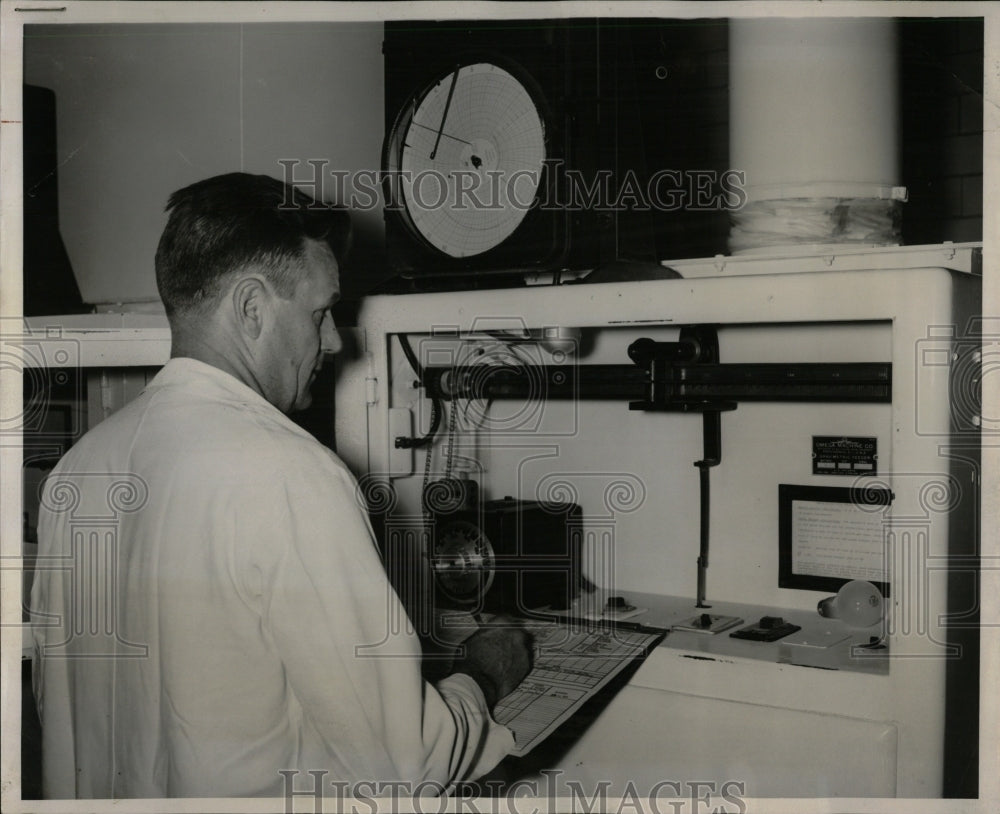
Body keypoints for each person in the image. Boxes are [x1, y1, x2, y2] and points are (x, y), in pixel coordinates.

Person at [30, 172, 532, 799]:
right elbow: (407, 761)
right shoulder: (293, 474)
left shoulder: (77, 470)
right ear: (250, 307)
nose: (333, 342)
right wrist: (483, 675)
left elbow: (61, 711)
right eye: (321, 313)